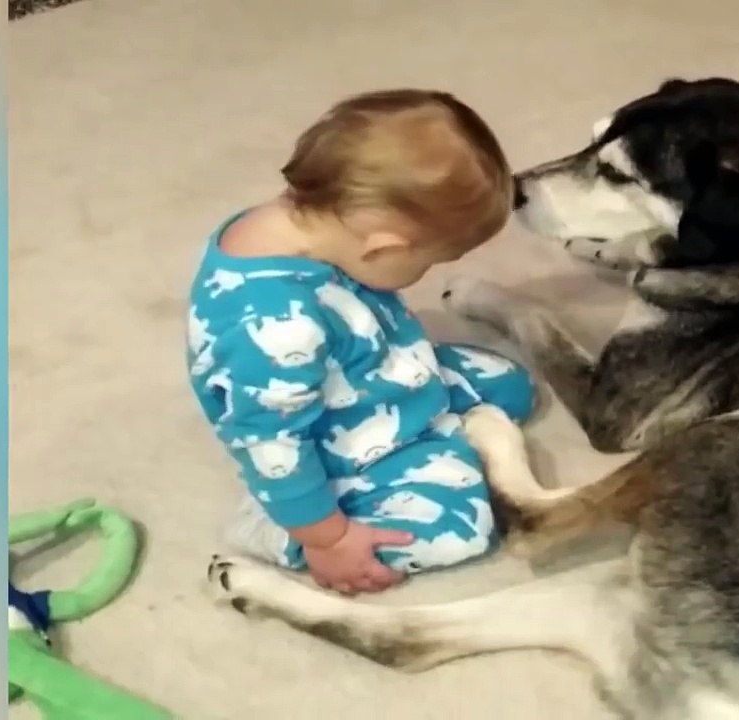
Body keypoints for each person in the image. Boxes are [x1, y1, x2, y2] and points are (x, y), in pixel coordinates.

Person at [186, 89, 534, 596]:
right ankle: (277, 529)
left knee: (510, 387)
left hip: (367, 372)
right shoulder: (279, 328)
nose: (424, 275)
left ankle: (429, 427)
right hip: (329, 443)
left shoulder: (297, 223)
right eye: (429, 262)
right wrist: (328, 539)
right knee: (462, 528)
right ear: (384, 246)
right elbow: (271, 444)